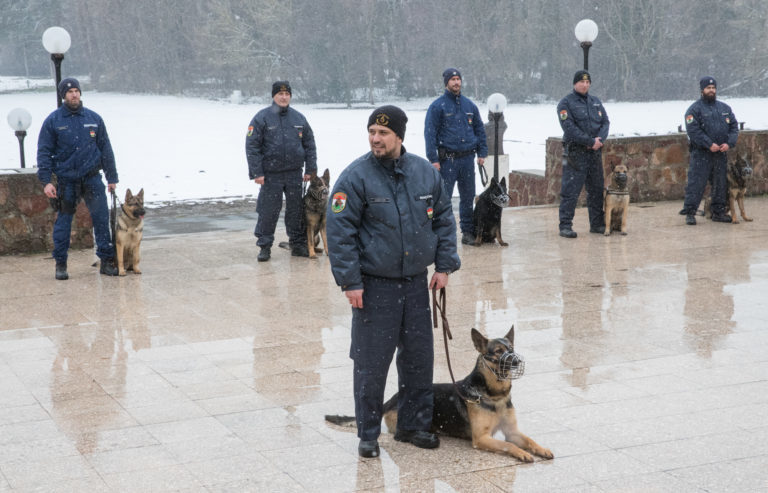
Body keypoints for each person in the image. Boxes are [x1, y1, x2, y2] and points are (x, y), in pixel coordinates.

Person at [327, 105, 461, 458]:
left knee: (419, 359)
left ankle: (414, 425)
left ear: (399, 135)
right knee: (371, 364)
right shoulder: (355, 177)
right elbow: (340, 233)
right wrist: (350, 281)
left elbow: (445, 220)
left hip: (416, 283)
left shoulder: (424, 173)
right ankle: (368, 433)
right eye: (371, 131)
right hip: (374, 288)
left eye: (383, 133)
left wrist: (444, 266)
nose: (375, 138)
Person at [37, 77, 119, 280]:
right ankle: (61, 263)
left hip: (92, 179)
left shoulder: (93, 118)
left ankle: (107, 261)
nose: (74, 94)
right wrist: (46, 181)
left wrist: (112, 177)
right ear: (63, 95)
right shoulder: (53, 121)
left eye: (76, 90)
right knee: (63, 222)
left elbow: (105, 149)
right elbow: (44, 152)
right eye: (70, 91)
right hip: (67, 182)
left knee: (101, 219)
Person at [245, 80, 317, 261]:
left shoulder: (299, 118)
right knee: (268, 211)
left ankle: (298, 244)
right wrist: (257, 172)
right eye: (280, 94)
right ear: (274, 96)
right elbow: (252, 146)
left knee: (296, 211)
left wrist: (311, 169)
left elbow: (309, 145)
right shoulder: (262, 118)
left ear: (290, 96)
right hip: (271, 175)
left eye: (287, 94)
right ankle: (265, 246)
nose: (284, 97)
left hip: (294, 174)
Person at [424, 68, 488, 245]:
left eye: (458, 79)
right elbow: (430, 134)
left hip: (468, 159)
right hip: (447, 161)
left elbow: (480, 130)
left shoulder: (470, 106)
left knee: (468, 197)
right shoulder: (437, 106)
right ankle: (440, 233)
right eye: (452, 79)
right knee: (443, 198)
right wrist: (433, 159)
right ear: (446, 83)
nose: (456, 82)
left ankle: (467, 232)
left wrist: (482, 152)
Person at [556, 70, 610, 238]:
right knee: (570, 191)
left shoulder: (595, 102)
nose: (585, 85)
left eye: (587, 82)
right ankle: (565, 225)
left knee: (596, 189)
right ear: (575, 84)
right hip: (576, 154)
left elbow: (605, 122)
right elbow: (569, 129)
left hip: (594, 154)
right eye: (581, 82)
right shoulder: (566, 103)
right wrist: (589, 141)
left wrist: (600, 139)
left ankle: (597, 224)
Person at [680, 76, 738, 225]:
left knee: (720, 184)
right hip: (701, 153)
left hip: (720, 153)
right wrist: (708, 144)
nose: (711, 90)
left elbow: (733, 127)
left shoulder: (724, 108)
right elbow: (693, 131)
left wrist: (729, 143)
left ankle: (718, 212)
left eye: (713, 88)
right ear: (702, 90)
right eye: (708, 88)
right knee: (696, 184)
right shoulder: (694, 109)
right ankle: (690, 212)